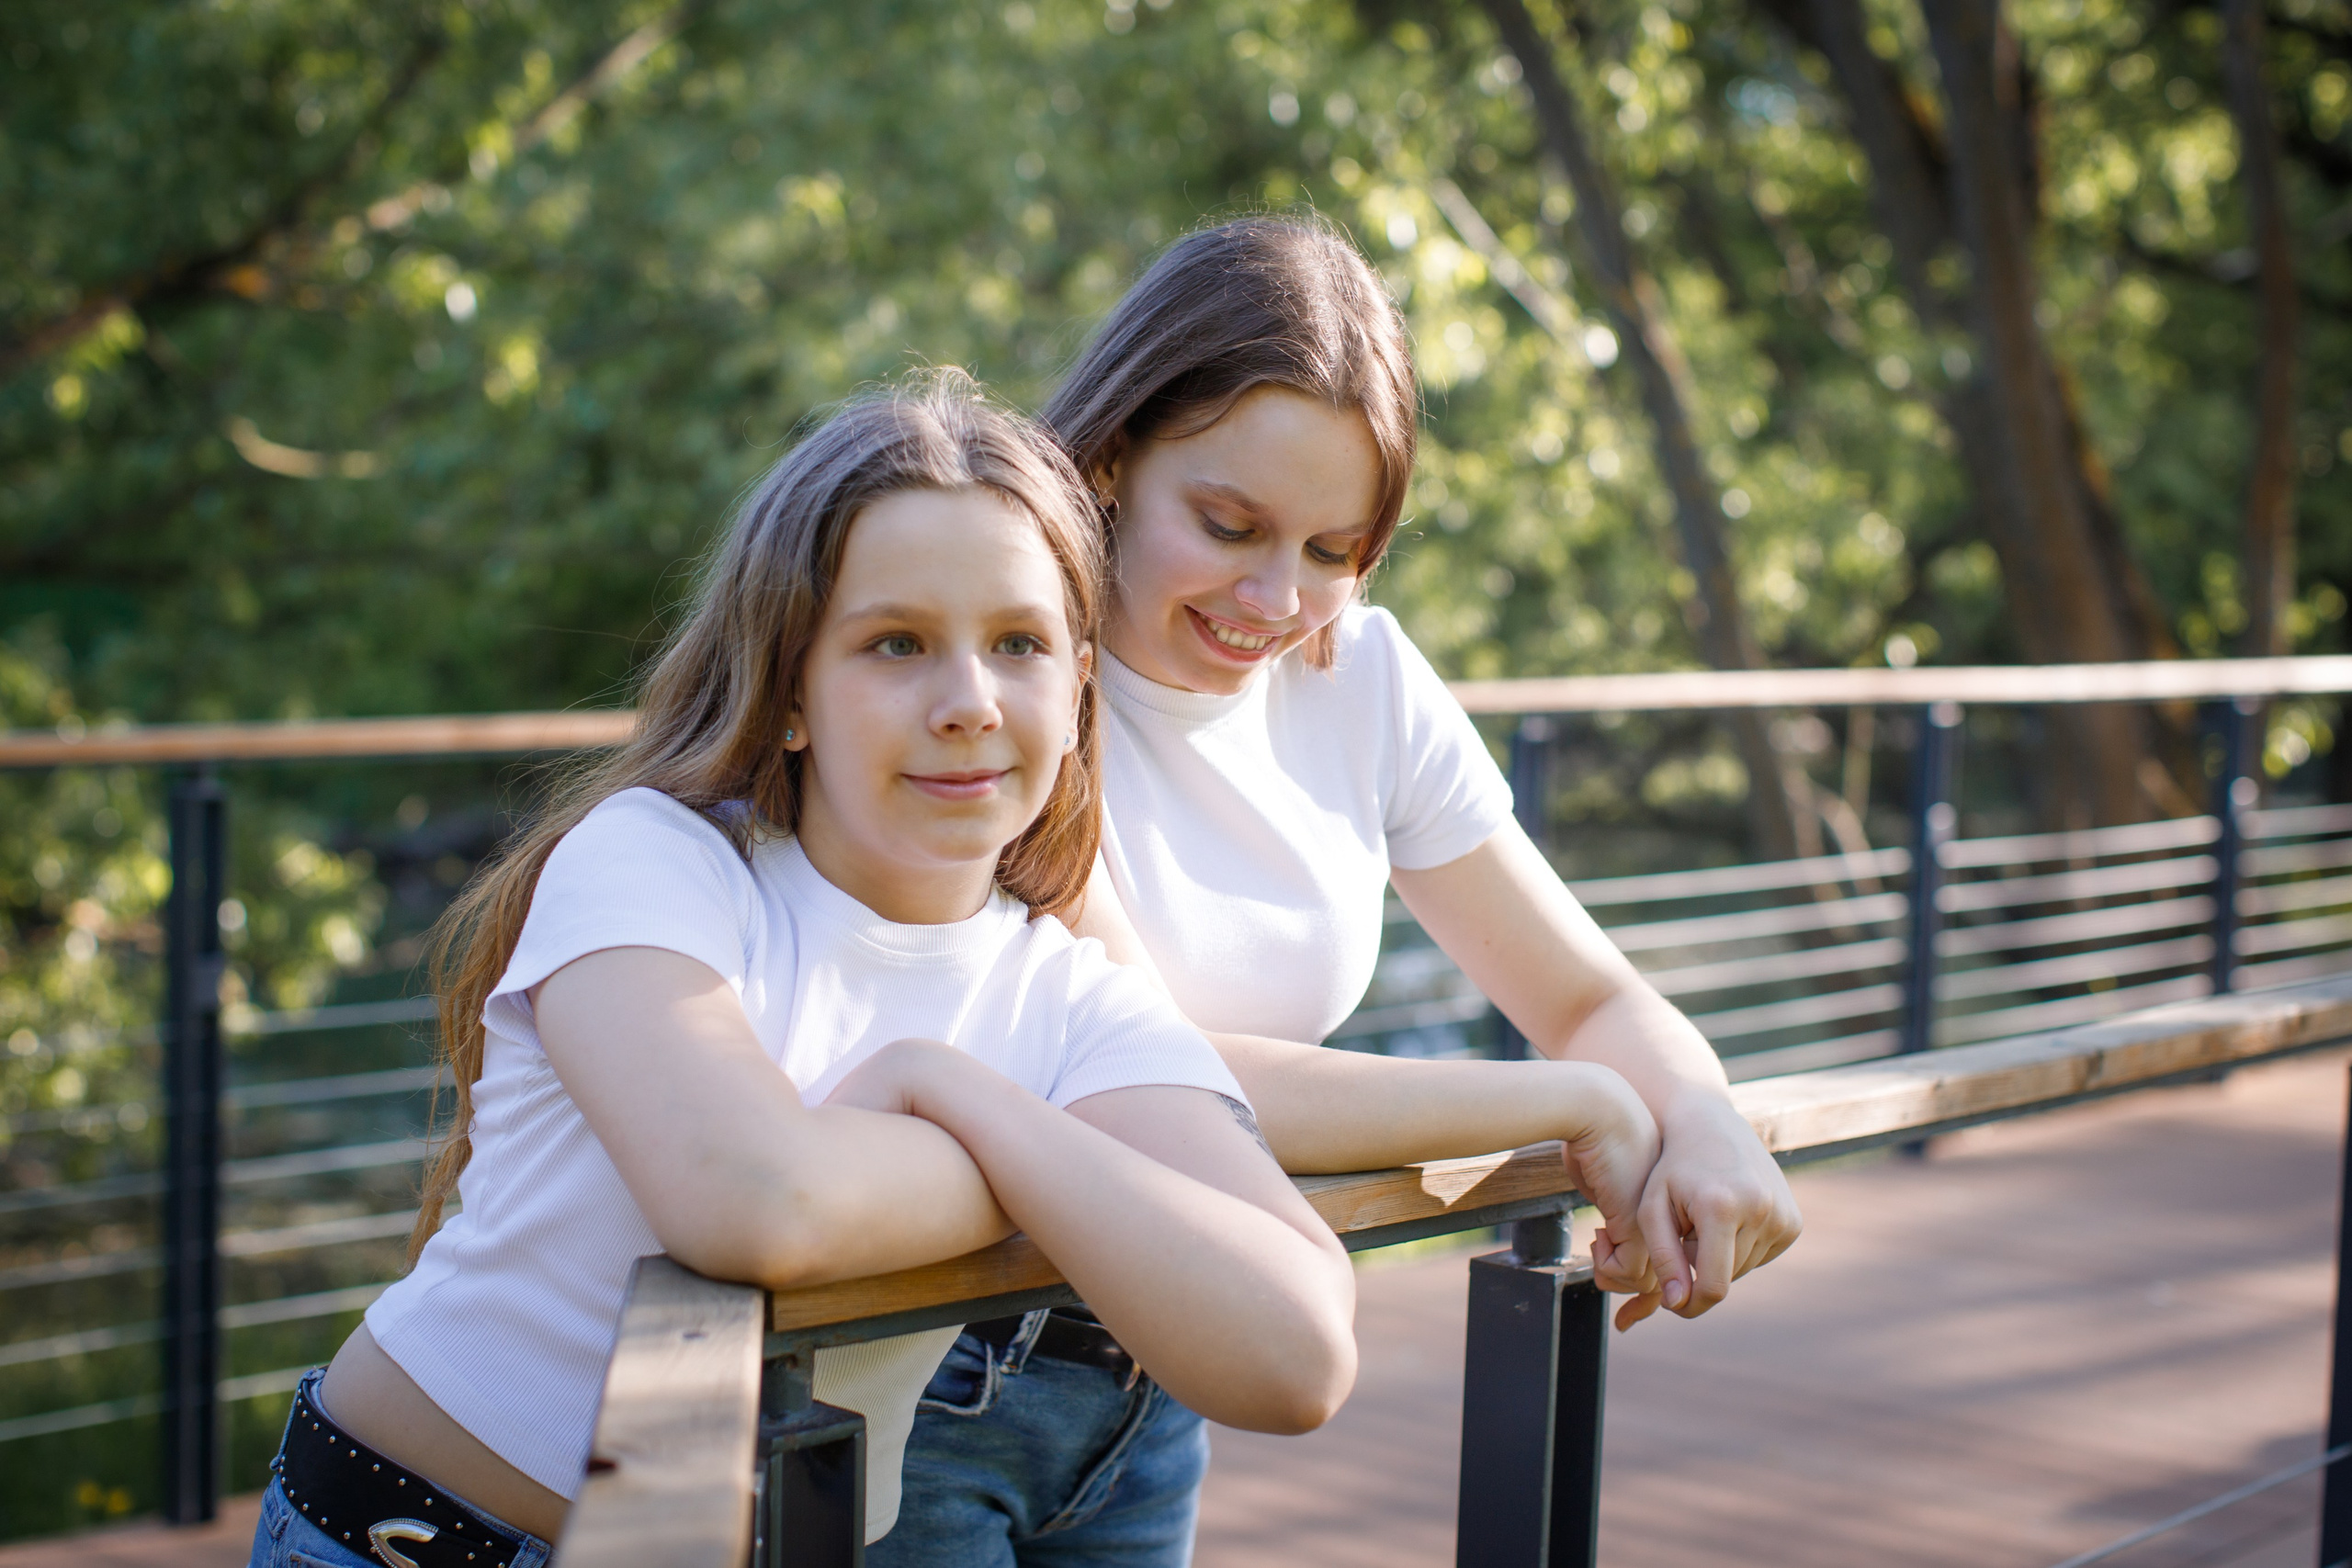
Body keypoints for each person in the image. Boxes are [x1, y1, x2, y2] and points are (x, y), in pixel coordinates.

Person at [243, 374, 1493, 1568]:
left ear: (1077, 691)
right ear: (789, 691)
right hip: (402, 1537)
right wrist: (1058, 1170)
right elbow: (754, 1202)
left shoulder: (1067, 997)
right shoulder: (655, 864)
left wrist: (956, 1093)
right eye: (897, 646)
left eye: (1018, 644)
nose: (968, 701)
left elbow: (1295, 1352)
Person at [879, 217, 1803, 1567]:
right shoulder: (1005, 686)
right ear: (1117, 455)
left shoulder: (1359, 679)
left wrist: (1704, 1116)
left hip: (1159, 1372)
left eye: (1334, 546)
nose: (1277, 598)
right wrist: (1580, 1102)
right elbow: (1157, 1084)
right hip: (934, 1368)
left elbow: (1586, 988)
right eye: (1230, 525)